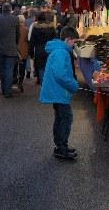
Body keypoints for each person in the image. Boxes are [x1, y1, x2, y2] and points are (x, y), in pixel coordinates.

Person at [39, 26, 79, 160]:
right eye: (74, 41)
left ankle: (60, 146)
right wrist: (74, 85)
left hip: (57, 91)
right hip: (59, 92)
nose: (75, 44)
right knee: (65, 119)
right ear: (68, 39)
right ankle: (61, 148)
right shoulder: (61, 52)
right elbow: (61, 74)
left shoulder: (58, 50)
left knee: (60, 118)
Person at [0, 2, 20, 98]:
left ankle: (4, 89)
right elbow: (18, 35)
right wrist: (15, 44)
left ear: (2, 9)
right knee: (9, 70)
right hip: (11, 49)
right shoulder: (15, 19)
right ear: (10, 9)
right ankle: (7, 91)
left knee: (2, 70)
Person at [29, 11, 56, 84]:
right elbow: (55, 40)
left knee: (41, 69)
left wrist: (31, 53)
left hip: (39, 51)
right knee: (49, 68)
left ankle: (43, 86)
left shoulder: (35, 28)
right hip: (49, 51)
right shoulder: (51, 27)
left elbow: (32, 41)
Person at [16, 14, 28, 92]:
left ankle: (15, 79)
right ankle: (20, 81)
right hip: (24, 51)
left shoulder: (14, 29)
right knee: (22, 67)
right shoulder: (26, 29)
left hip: (16, 51)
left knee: (15, 66)